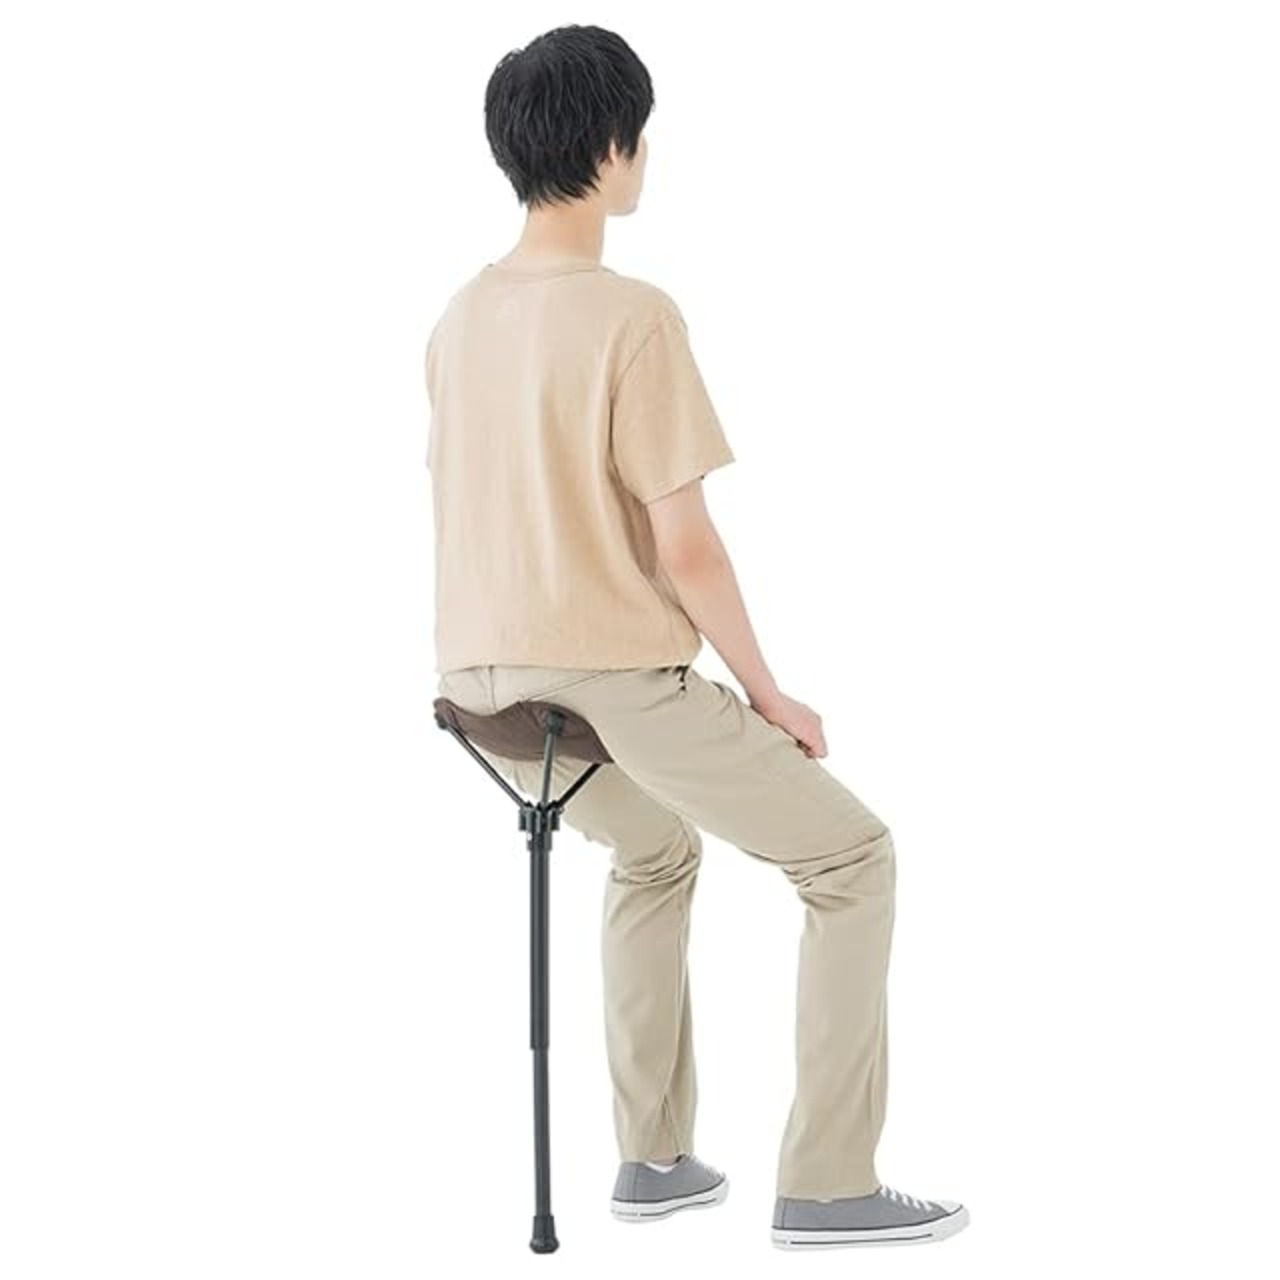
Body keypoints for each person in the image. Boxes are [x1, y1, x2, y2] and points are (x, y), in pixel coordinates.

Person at [423, 23, 969, 1249]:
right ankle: (827, 1182)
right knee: (852, 859)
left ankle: (653, 1158)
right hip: (612, 678)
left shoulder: (458, 319)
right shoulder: (632, 317)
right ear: (613, 145)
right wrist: (767, 692)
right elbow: (687, 547)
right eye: (642, 136)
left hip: (482, 695)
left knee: (654, 849)